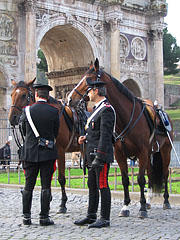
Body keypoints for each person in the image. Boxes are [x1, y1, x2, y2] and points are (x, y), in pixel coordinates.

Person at [74, 80, 116, 228]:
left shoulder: (107, 109)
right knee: (92, 184)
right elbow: (97, 132)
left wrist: (100, 156)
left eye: (90, 91)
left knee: (103, 184)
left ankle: (104, 218)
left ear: (96, 91)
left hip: (100, 155)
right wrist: (86, 137)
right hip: (91, 154)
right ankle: (91, 215)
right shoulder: (98, 109)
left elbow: (106, 136)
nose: (88, 94)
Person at [19, 83, 59, 226]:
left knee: (28, 185)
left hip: (29, 152)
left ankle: (26, 217)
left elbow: (23, 130)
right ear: (48, 97)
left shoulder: (27, 111)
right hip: (47, 153)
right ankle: (44, 217)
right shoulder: (54, 111)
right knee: (45, 186)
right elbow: (55, 132)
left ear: (36, 95)